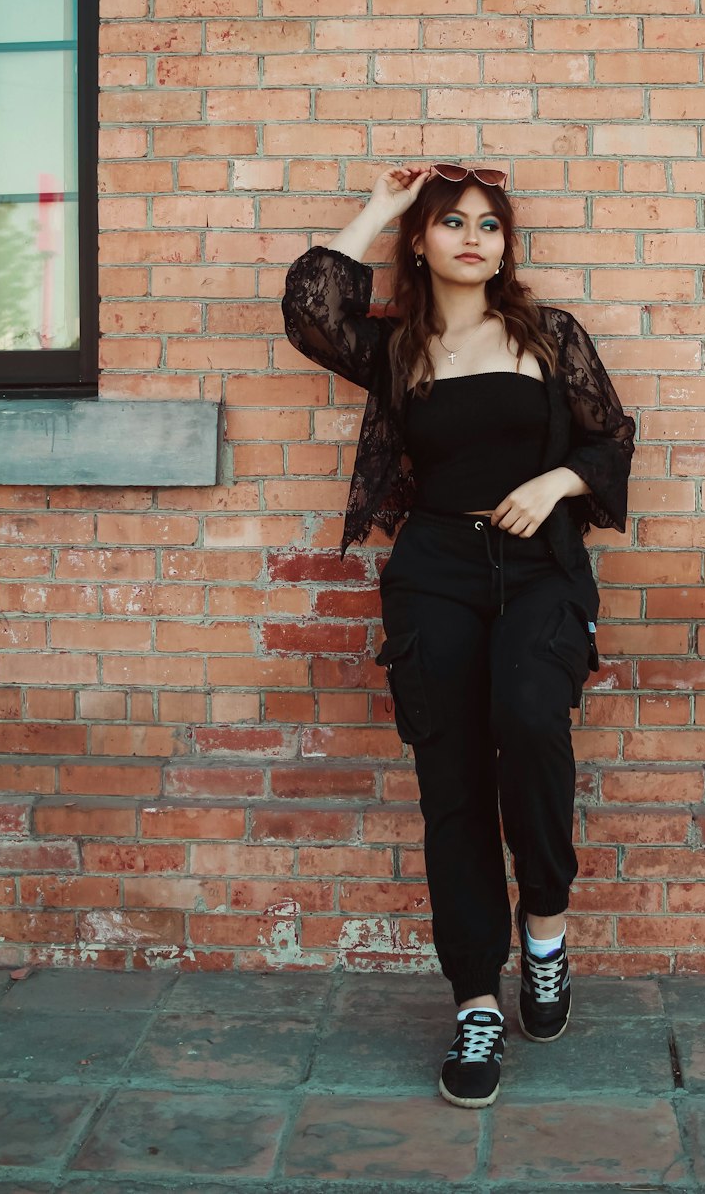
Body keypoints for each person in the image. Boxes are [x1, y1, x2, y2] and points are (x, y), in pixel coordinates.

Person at [281, 162, 635, 1109]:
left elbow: (611, 439)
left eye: (489, 224)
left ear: (506, 246)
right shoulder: (397, 349)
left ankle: (546, 935)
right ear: (424, 241)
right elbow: (312, 310)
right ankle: (477, 1000)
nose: (473, 237)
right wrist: (382, 205)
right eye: (451, 223)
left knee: (530, 724)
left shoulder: (547, 336)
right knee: (452, 787)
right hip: (434, 569)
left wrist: (556, 483)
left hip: (538, 571)